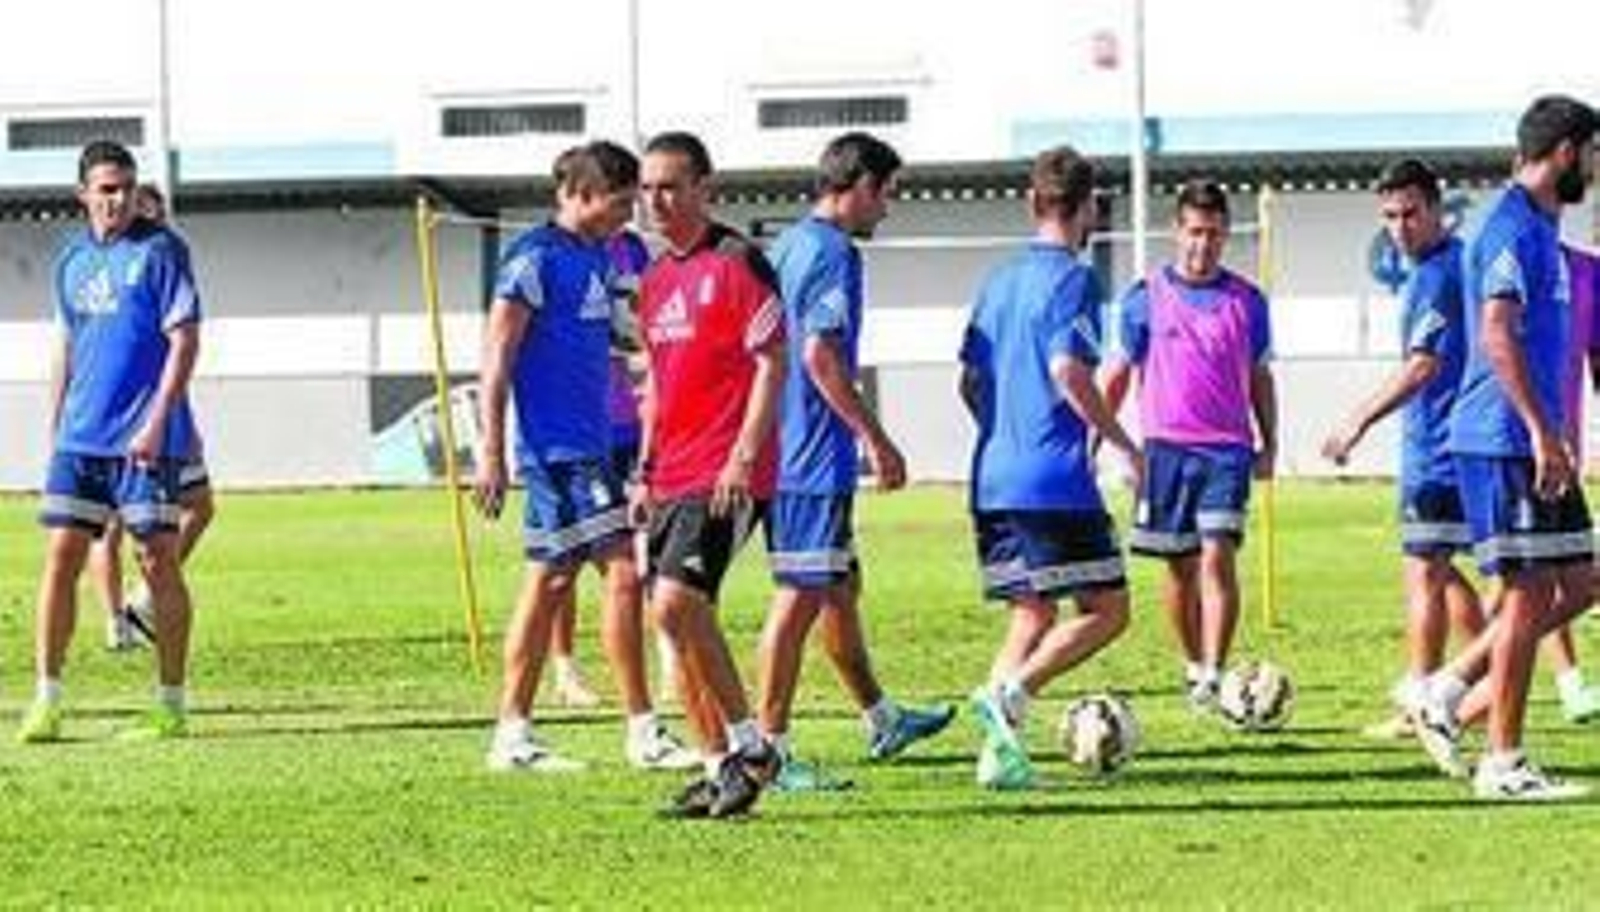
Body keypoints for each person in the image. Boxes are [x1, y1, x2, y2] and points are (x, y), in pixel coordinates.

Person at [478, 141, 693, 774]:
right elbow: (497, 358)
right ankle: (642, 731)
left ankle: (511, 735)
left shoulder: (596, 257)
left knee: (547, 585)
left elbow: (612, 343)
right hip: (559, 451)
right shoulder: (532, 260)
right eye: (619, 202)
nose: (626, 216)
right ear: (576, 193)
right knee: (623, 574)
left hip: (592, 444)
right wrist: (491, 450)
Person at [759, 131, 955, 791]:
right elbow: (819, 356)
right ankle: (767, 750)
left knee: (839, 589)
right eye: (887, 193)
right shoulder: (832, 252)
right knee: (800, 596)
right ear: (861, 185)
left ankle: (881, 717)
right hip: (809, 457)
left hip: (784, 447)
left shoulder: (785, 246)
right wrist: (876, 436)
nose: (888, 209)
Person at [1422, 95, 1595, 800]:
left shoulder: (1544, 231)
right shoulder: (1510, 228)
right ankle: (1503, 762)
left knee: (1582, 580)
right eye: (1593, 153)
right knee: (1525, 597)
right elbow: (1496, 333)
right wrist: (1538, 429)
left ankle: (1450, 685)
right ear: (1566, 152)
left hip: (1532, 440)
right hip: (1502, 439)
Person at [960, 146, 1139, 790]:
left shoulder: (998, 281)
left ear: (1033, 202)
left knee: (1031, 613)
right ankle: (1012, 689)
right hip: (1052, 479)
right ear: (1089, 205)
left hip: (991, 474)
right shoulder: (1075, 279)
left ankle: (998, 757)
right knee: (1109, 609)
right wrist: (1120, 441)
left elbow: (971, 379)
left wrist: (1001, 427)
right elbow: (1069, 370)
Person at [19, 140, 203, 742]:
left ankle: (170, 705)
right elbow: (67, 347)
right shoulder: (70, 261)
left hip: (145, 443)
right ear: (83, 196)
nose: (118, 199)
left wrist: (156, 422)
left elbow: (185, 341)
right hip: (80, 442)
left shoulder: (162, 250)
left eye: (125, 187)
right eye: (106, 189)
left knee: (157, 562)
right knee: (60, 558)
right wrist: (54, 430)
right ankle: (46, 701)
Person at [634, 130, 784, 818]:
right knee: (676, 619)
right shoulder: (655, 281)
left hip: (726, 472)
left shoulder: (738, 262)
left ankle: (753, 745)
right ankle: (718, 766)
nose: (655, 200)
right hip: (670, 473)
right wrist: (643, 466)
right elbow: (659, 386)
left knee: (675, 602)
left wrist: (744, 453)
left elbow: (771, 361)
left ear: (703, 189)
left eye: (669, 186)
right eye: (647, 187)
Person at [1321, 158, 1486, 737]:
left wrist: (1357, 419)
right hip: (1452, 446)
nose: (1400, 226)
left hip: (1438, 452)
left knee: (1422, 575)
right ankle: (1480, 676)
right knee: (1443, 573)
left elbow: (1423, 365)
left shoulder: (1438, 275)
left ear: (1436, 209)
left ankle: (1422, 700)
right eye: (1389, 216)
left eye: (1411, 213)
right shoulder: (1445, 266)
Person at [1103, 178, 1278, 713]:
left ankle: (1213, 673)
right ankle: (1191, 663)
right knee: (1178, 568)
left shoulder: (1247, 301)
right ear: (1177, 231)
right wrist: (1095, 439)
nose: (1204, 245)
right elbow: (1116, 374)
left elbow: (1260, 377)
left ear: (1226, 236)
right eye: (1196, 232)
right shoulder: (1143, 299)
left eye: (1215, 234)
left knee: (1217, 556)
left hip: (1226, 449)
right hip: (1166, 450)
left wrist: (1270, 443)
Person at [90, 183, 217, 653]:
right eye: (149, 212)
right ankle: (119, 619)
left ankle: (138, 606)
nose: (154, 221)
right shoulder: (106, 267)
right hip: (122, 421)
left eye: (157, 213)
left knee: (200, 506)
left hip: (167, 417)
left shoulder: (165, 261)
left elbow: (179, 346)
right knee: (112, 525)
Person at [542, 227, 652, 709]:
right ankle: (564, 668)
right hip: (580, 429)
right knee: (565, 559)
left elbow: (645, 321)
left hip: (631, 423)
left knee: (644, 549)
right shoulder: (556, 253)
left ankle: (666, 660)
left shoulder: (633, 247)